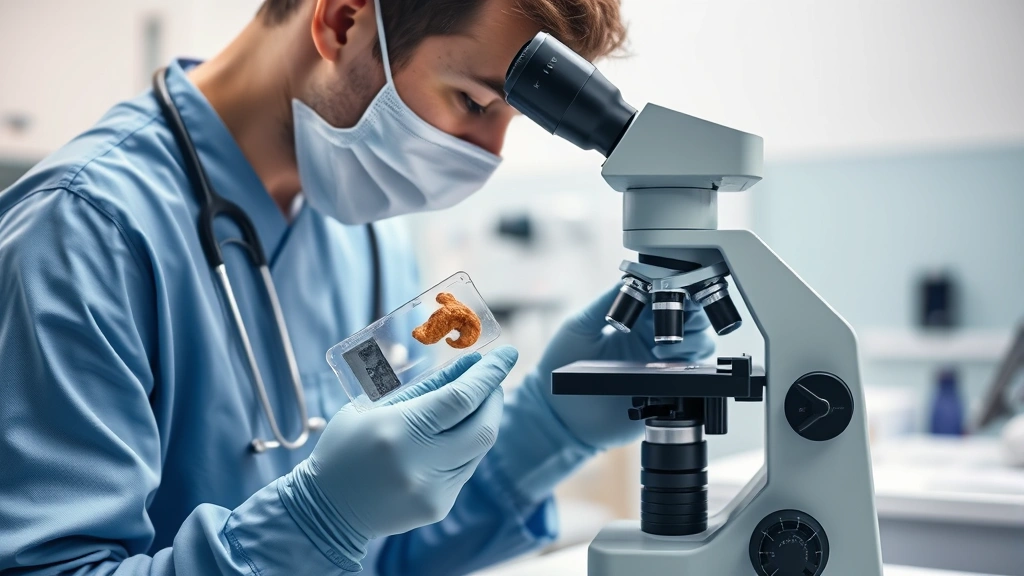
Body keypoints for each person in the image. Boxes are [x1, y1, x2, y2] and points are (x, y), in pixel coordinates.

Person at [0, 0, 713, 574]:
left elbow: (389, 550)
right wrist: (314, 522)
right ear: (343, 21)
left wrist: (549, 427)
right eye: (474, 102)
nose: (490, 155)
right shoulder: (80, 234)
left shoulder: (366, 229)